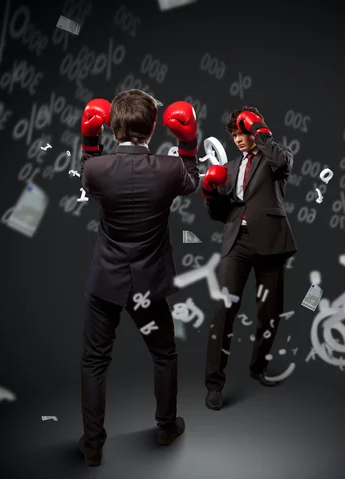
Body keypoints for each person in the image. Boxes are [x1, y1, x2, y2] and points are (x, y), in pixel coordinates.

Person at [77, 91, 200, 466]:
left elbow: (89, 168)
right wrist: (188, 142)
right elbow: (193, 181)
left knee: (95, 361)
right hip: (148, 283)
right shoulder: (169, 169)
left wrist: (89, 140)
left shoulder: (96, 170)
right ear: (151, 129)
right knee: (163, 353)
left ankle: (93, 445)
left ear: (113, 128)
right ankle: (166, 426)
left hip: (107, 282)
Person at [200, 106, 297, 411]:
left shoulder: (273, 157)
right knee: (223, 311)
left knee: (270, 312)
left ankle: (258, 368)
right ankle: (214, 384)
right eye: (234, 135)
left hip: (271, 242)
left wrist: (260, 130)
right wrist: (210, 193)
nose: (238, 139)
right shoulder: (228, 168)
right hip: (237, 243)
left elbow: (284, 162)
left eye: (242, 132)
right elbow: (219, 214)